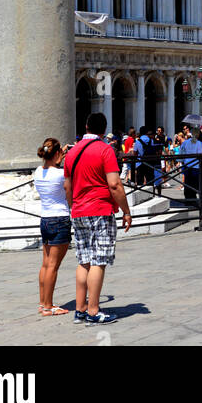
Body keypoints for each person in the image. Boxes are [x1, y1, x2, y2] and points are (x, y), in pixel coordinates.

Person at [63, 111, 132, 324]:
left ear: (86, 127)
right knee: (99, 260)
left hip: (79, 211)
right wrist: (126, 211)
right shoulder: (105, 150)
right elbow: (114, 184)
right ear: (103, 130)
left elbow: (67, 186)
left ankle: (80, 309)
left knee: (83, 260)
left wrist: (73, 205)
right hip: (100, 210)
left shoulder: (72, 153)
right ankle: (93, 310)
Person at [34, 138, 72, 316]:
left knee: (45, 264)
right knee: (53, 266)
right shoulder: (61, 174)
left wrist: (58, 157)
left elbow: (50, 166)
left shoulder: (37, 171)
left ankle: (43, 302)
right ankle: (49, 306)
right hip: (60, 218)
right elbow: (69, 197)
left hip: (45, 219)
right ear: (57, 154)